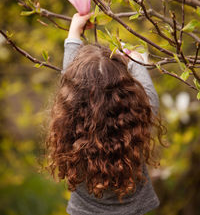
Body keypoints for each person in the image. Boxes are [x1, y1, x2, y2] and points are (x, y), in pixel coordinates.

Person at [45, 13, 167, 215]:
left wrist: (74, 32)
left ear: (71, 96)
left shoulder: (69, 123)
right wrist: (136, 59)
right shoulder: (139, 116)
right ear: (128, 90)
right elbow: (149, 92)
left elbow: (67, 79)